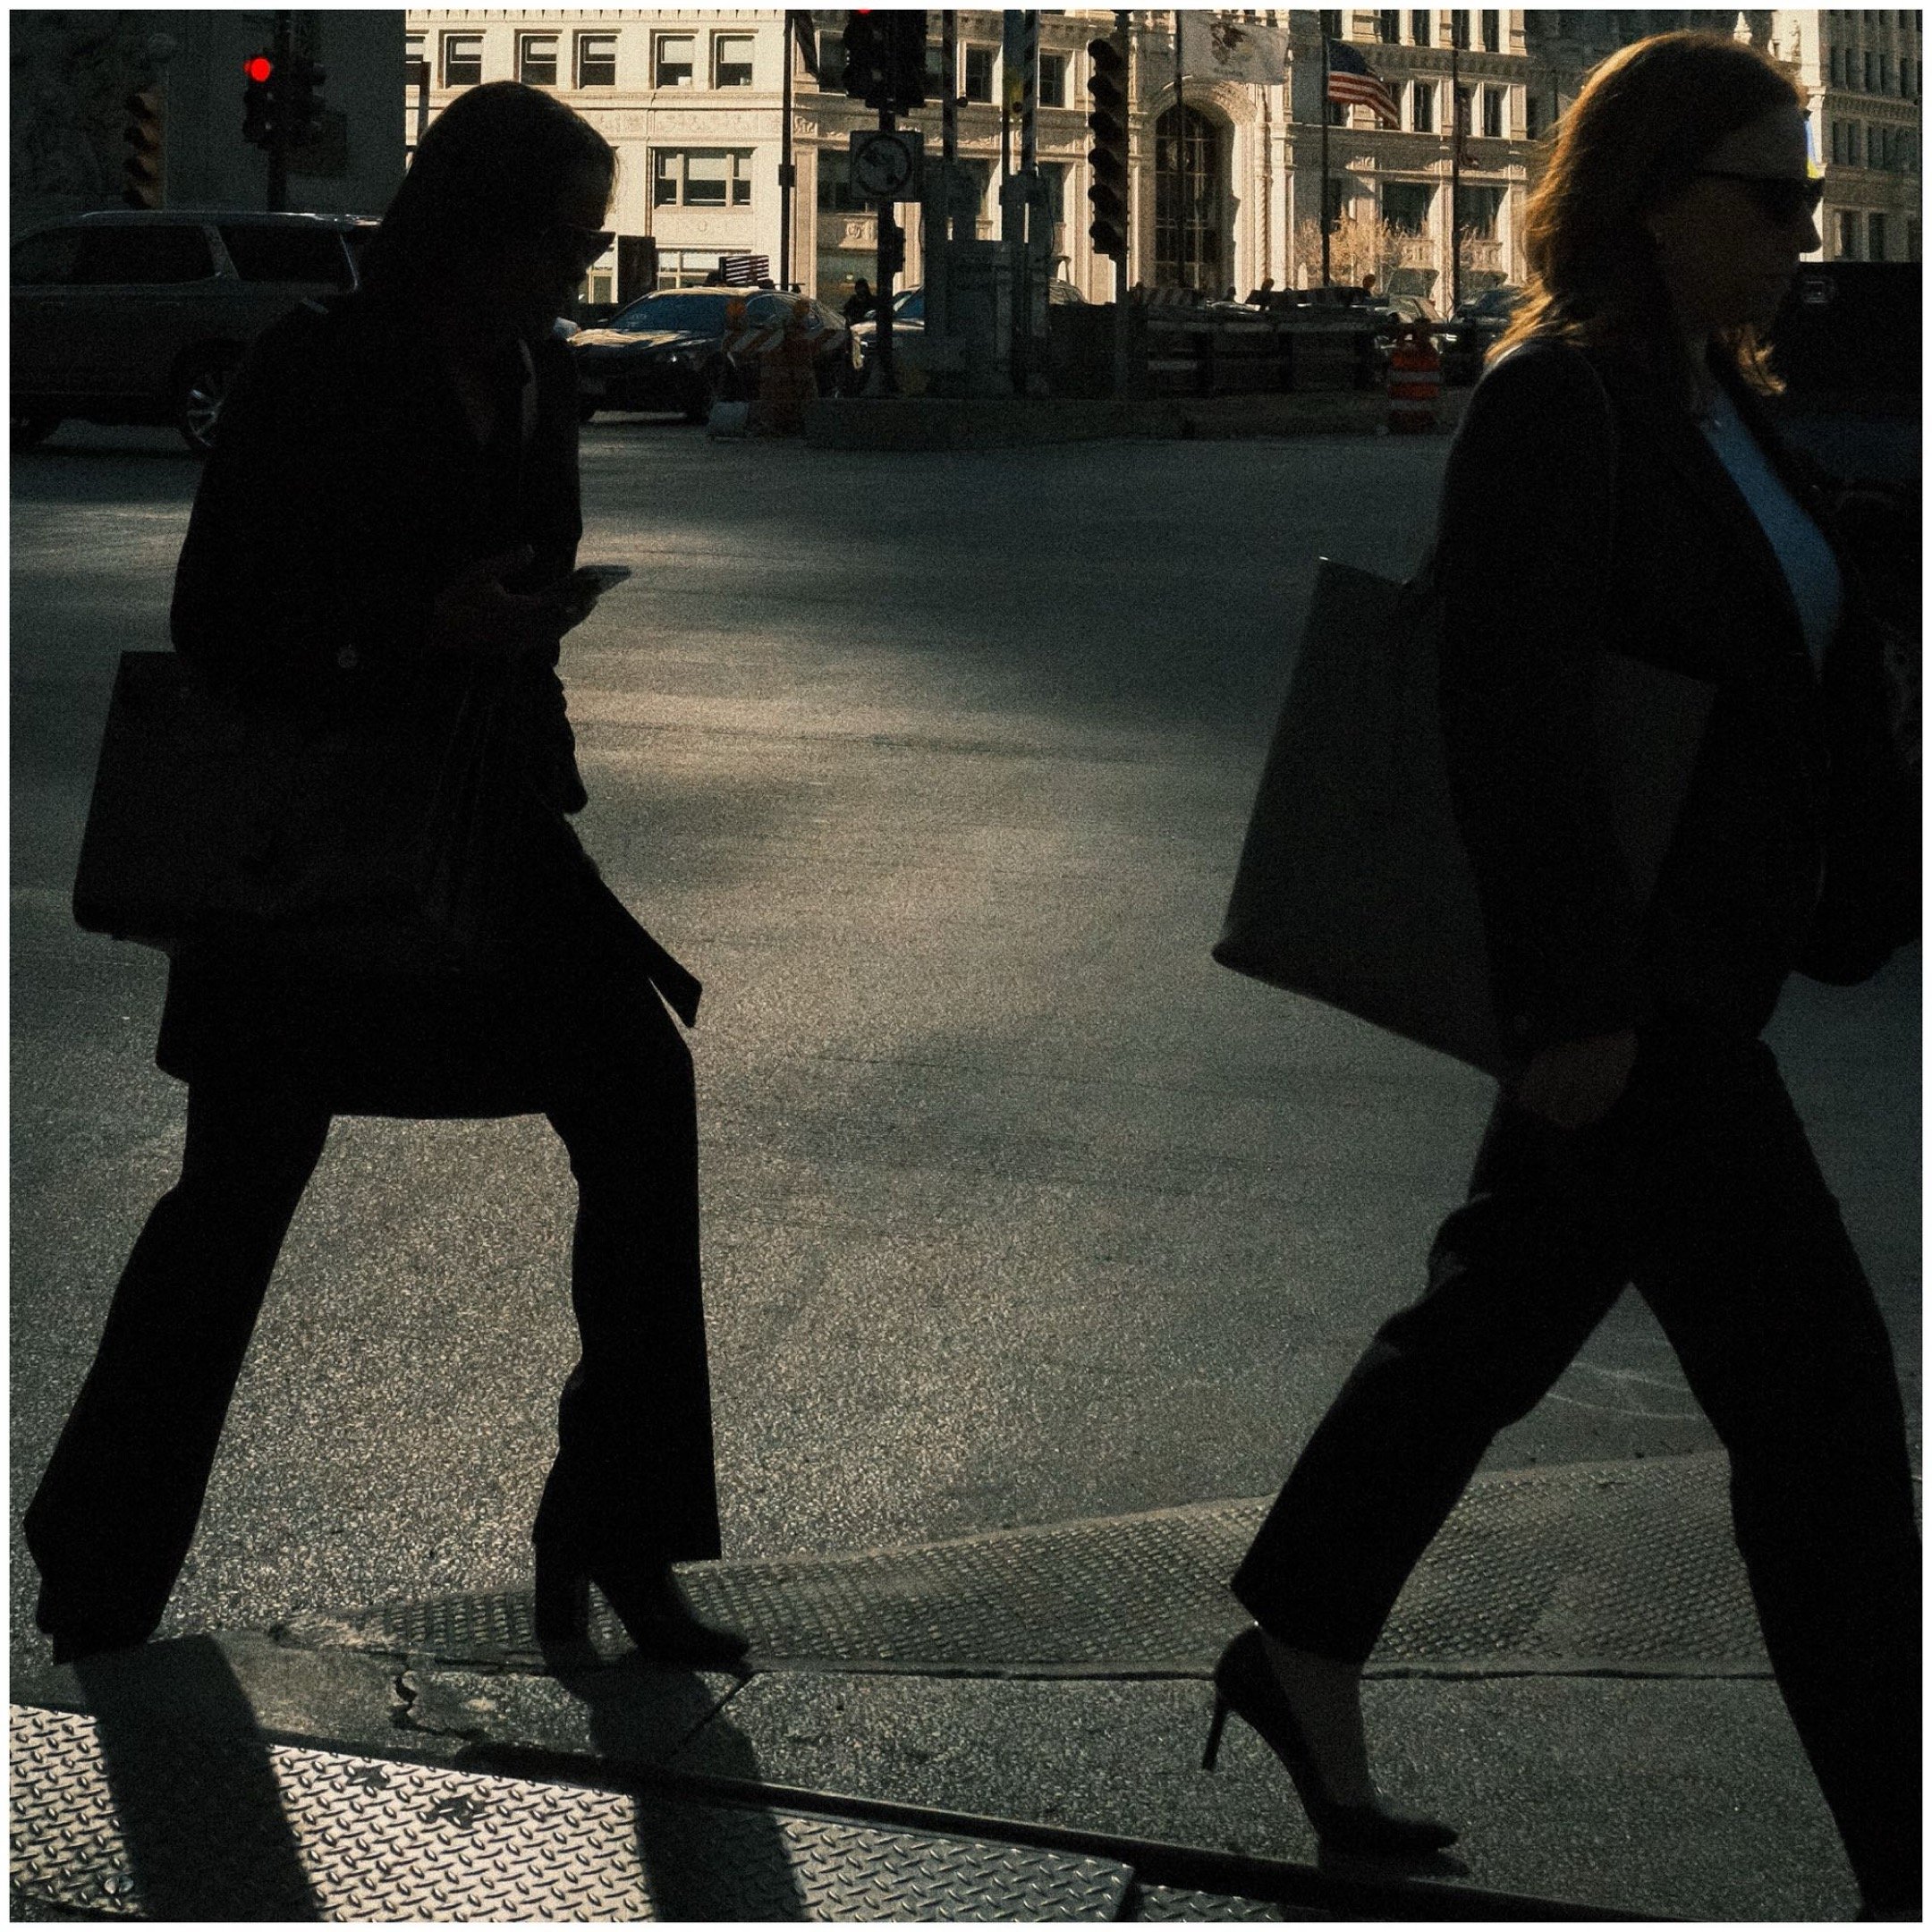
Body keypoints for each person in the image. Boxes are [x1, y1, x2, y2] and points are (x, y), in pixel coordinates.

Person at [1212, 32, 1919, 1918]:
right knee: (1831, 1431)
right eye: (1770, 198)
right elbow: (1508, 723)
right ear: (1651, 200)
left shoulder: (1725, 404)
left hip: (1691, 984)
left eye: (1811, 199)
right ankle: (1906, 1857)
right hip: (1647, 1008)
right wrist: (1577, 1005)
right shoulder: (1561, 405)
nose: (1803, 230)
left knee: (1490, 1325)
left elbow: (1782, 651)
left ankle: (1293, 1644)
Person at [24, 81, 745, 1671]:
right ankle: (97, 1565)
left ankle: (611, 1530)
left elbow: (522, 586)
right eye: (562, 240)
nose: (577, 271)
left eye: (591, 241)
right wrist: (410, 629)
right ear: (469, 226)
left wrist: (532, 680)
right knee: (235, 1199)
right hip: (304, 865)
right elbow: (221, 620)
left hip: (484, 838)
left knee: (639, 1088)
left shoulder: (541, 381)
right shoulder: (316, 370)